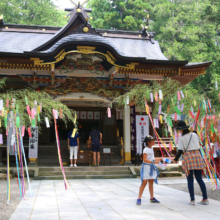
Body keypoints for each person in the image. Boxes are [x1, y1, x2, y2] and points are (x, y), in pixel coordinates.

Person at [173, 120, 208, 205]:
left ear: (182, 129)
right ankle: (205, 198)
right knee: (199, 178)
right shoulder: (194, 134)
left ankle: (192, 200)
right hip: (197, 155)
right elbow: (199, 142)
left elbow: (181, 151)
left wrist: (176, 159)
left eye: (179, 130)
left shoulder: (181, 138)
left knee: (190, 179)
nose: (179, 131)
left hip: (188, 156)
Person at [136, 135, 163, 205]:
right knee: (144, 182)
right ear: (148, 142)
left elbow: (151, 158)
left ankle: (152, 197)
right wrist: (153, 162)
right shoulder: (146, 149)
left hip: (151, 167)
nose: (154, 141)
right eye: (152, 140)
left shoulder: (151, 149)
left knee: (151, 182)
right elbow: (144, 159)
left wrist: (158, 159)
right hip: (146, 167)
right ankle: (139, 198)